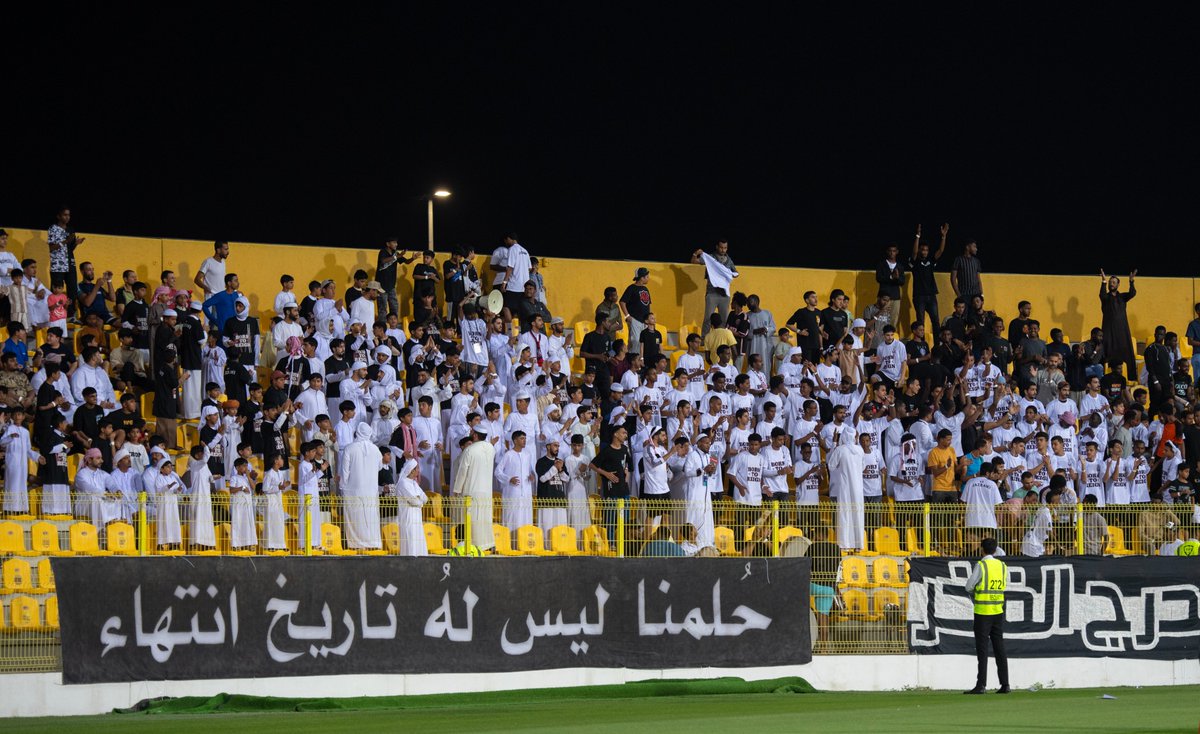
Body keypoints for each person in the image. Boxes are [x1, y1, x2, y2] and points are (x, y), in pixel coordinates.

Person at [963, 537, 1010, 694]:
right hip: (998, 611)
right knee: (1000, 649)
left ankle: (981, 685)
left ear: (982, 549)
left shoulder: (982, 565)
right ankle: (1005, 684)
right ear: (995, 550)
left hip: (983, 612)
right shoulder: (1002, 566)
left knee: (982, 650)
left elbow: (969, 586)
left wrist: (976, 594)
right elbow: (1003, 585)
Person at [340, 422, 384, 549]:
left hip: (353, 490)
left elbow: (345, 472)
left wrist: (343, 486)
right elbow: (380, 467)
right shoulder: (375, 449)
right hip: (371, 490)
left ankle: (356, 544)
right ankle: (373, 543)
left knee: (355, 517)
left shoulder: (349, 448)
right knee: (371, 517)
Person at [908, 223, 949, 333]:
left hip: (931, 295)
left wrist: (943, 236)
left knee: (935, 320)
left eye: (926, 250)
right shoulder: (915, 262)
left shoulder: (930, 261)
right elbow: (914, 252)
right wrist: (917, 236)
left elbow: (940, 251)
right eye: (922, 249)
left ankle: (937, 346)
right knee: (920, 322)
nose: (924, 252)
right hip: (919, 296)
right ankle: (922, 345)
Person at [691, 240, 738, 334]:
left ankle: (722, 339)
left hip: (724, 294)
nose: (723, 250)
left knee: (724, 319)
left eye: (725, 248)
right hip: (712, 293)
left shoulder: (729, 260)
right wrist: (696, 253)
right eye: (721, 247)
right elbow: (693, 261)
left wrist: (731, 274)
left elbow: (735, 272)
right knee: (708, 318)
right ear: (717, 247)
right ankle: (704, 340)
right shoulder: (710, 258)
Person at [1099, 269, 1138, 378]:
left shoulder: (1122, 297)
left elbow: (1132, 293)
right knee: (1108, 351)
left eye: (1114, 282)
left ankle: (1128, 377)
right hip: (1108, 330)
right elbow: (1101, 295)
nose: (1112, 284)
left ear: (1118, 285)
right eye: (1110, 282)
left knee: (1125, 352)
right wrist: (1103, 281)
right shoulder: (1106, 297)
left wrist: (1131, 281)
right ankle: (1106, 376)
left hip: (1122, 331)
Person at [620, 267, 652, 355]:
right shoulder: (631, 288)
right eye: (647, 276)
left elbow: (648, 305)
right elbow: (622, 302)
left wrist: (649, 318)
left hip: (645, 321)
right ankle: (633, 361)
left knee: (643, 342)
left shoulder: (645, 289)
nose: (648, 278)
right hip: (635, 319)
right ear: (642, 277)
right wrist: (627, 316)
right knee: (635, 341)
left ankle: (641, 361)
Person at [875, 242, 906, 324]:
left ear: (897, 252)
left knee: (893, 320)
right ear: (887, 251)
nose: (892, 253)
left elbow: (902, 282)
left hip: (895, 297)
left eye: (894, 251)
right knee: (881, 319)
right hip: (883, 297)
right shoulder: (881, 264)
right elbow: (878, 278)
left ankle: (890, 336)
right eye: (890, 251)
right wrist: (891, 277)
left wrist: (897, 278)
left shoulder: (900, 266)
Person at [951, 238, 983, 302]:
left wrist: (981, 295)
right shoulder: (958, 260)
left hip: (976, 295)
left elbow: (978, 279)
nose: (976, 249)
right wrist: (959, 295)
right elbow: (953, 279)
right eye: (974, 246)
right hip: (964, 295)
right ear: (967, 247)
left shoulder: (976, 261)